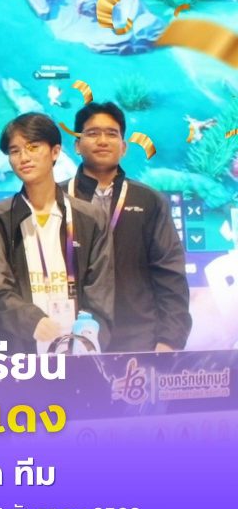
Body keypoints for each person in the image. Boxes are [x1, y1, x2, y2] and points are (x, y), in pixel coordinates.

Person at [63, 101, 191, 352]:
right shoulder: (56, 199)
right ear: (77, 145)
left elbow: (170, 274)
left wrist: (169, 340)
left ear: (123, 147)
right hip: (69, 337)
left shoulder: (149, 200)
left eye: (112, 134)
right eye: (92, 133)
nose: (102, 141)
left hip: (139, 339)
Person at [0, 113, 114, 354]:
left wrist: (88, 338)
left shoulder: (90, 217)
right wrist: (32, 321)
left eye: (33, 147)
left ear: (55, 152)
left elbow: (101, 292)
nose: (24, 157)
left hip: (80, 350)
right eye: (15, 151)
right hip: (19, 353)